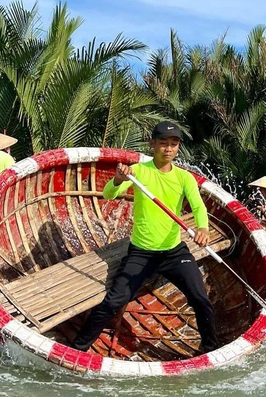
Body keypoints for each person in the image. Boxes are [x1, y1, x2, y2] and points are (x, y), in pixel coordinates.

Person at [72, 121, 218, 353]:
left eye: (173, 144)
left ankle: (210, 349)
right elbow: (109, 194)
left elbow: (199, 207)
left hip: (174, 252)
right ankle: (77, 350)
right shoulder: (138, 171)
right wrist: (120, 179)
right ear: (152, 144)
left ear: (178, 148)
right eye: (163, 144)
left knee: (200, 298)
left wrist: (203, 229)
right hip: (141, 253)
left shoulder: (184, 178)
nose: (168, 149)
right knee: (113, 301)